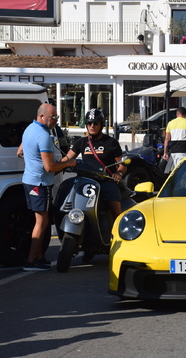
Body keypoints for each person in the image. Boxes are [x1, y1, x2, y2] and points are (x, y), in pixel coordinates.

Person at [21, 103, 76, 271]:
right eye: (54, 117)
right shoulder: (43, 136)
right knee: (42, 222)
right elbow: (49, 167)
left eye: (57, 117)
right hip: (40, 183)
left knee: (41, 220)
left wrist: (32, 159)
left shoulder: (29, 129)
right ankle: (31, 260)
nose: (56, 121)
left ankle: (38, 256)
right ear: (42, 116)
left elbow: (19, 151)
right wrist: (69, 163)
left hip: (30, 180)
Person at [61, 109, 125, 232]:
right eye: (89, 123)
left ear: (101, 125)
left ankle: (120, 234)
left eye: (95, 123)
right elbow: (67, 158)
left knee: (116, 209)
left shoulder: (111, 142)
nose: (92, 126)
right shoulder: (81, 142)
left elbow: (122, 165)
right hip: (85, 181)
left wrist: (119, 173)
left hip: (106, 181)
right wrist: (54, 166)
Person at [163, 107, 186, 173]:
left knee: (174, 173)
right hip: (183, 152)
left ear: (177, 114)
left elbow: (167, 139)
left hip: (173, 152)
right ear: (185, 115)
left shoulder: (170, 123)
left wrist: (165, 153)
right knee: (182, 173)